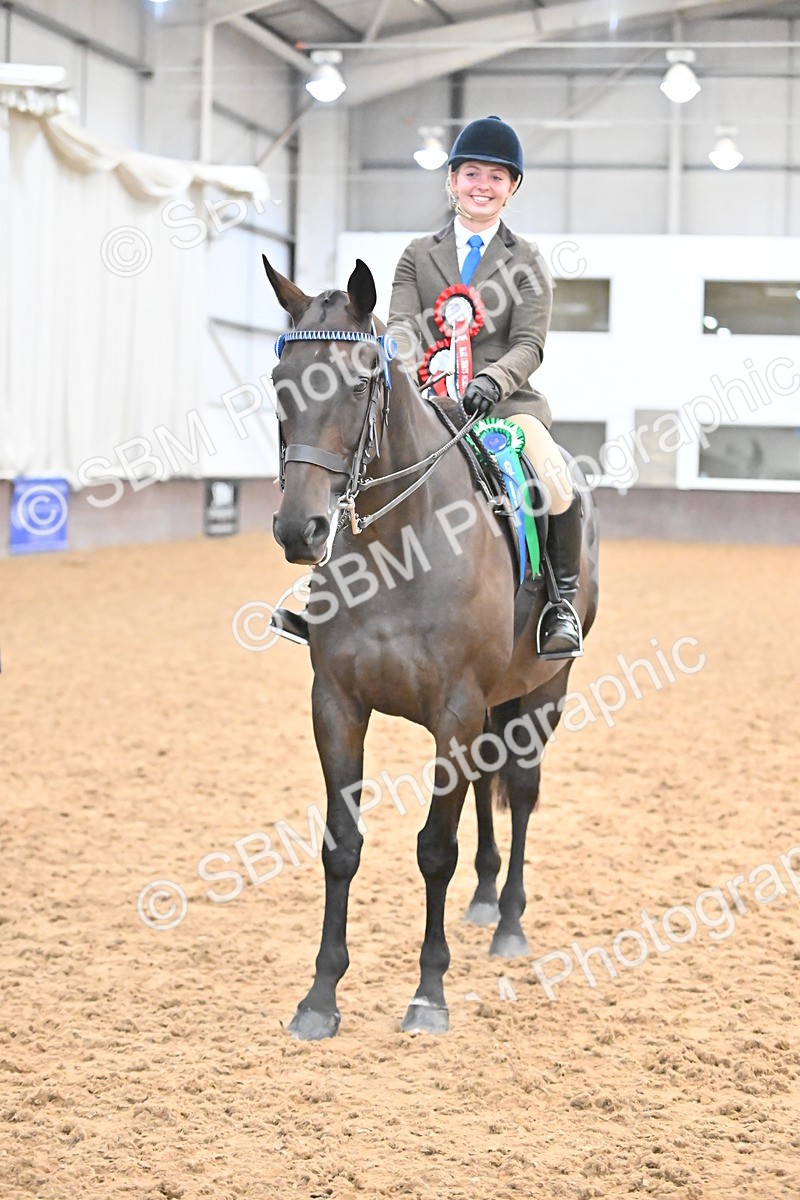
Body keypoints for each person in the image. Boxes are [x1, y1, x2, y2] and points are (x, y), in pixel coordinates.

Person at [388, 115, 583, 659]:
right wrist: (420, 375)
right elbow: (402, 324)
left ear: (512, 187)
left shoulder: (527, 261)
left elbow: (530, 343)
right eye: (471, 172)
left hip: (505, 409)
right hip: (428, 400)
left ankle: (560, 602)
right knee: (356, 457)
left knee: (555, 476)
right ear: (452, 180)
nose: (482, 185)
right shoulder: (416, 254)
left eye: (496, 177)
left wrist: (490, 382)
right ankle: (321, 594)